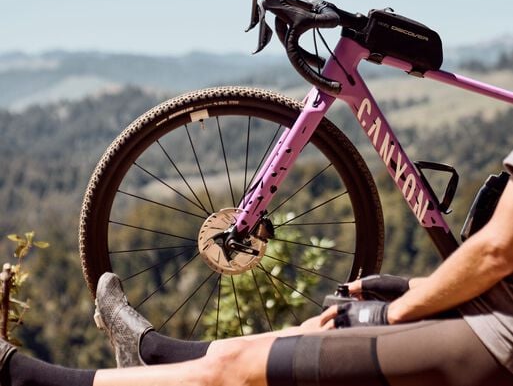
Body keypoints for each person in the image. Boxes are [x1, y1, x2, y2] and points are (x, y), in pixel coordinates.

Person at [2, 153, 513, 386]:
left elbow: (497, 251)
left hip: (497, 340)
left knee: (239, 374)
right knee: (305, 331)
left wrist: (396, 312)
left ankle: (27, 382)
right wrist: (412, 289)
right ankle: (152, 353)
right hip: (489, 311)